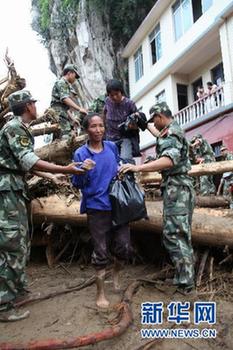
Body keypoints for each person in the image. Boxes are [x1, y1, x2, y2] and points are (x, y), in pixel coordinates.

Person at [0, 90, 94, 321]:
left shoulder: (20, 127)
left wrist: (50, 177)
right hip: (7, 192)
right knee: (11, 244)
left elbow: (24, 163)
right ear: (26, 106)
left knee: (20, 242)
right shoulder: (14, 128)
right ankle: (3, 304)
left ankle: (17, 291)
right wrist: (65, 169)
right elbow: (28, 160)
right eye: (33, 102)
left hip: (15, 189)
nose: (35, 106)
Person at [120, 102, 195, 294]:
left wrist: (139, 167)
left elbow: (169, 160)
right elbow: (159, 135)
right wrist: (145, 125)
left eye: (155, 120)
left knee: (175, 235)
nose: (155, 124)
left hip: (177, 190)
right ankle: (183, 277)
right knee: (180, 235)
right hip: (180, 188)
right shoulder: (172, 129)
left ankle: (186, 285)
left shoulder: (171, 133)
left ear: (161, 116)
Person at [72, 113, 132, 308]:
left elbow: (117, 168)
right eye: (93, 126)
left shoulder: (112, 147)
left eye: (101, 126)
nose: (98, 130)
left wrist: (123, 170)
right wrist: (84, 171)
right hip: (96, 208)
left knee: (123, 246)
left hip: (117, 205)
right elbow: (77, 183)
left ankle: (116, 271)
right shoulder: (81, 153)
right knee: (101, 251)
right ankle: (100, 293)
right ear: (86, 130)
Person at [103, 79, 139, 161]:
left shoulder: (129, 104)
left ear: (121, 92)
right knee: (110, 160)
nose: (114, 97)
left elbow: (137, 122)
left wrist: (132, 125)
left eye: (116, 94)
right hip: (110, 137)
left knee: (126, 159)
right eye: (111, 95)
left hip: (125, 137)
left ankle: (129, 173)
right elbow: (104, 113)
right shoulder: (107, 101)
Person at [50, 64, 87, 139]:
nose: (75, 79)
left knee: (65, 135)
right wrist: (79, 109)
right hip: (58, 115)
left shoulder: (65, 84)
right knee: (66, 137)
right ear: (69, 73)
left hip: (62, 114)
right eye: (75, 76)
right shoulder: (61, 83)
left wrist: (73, 118)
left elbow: (64, 108)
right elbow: (65, 99)